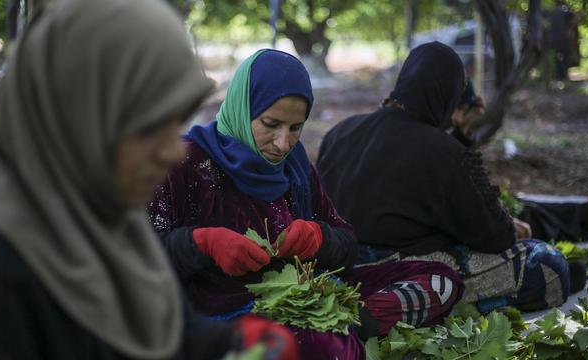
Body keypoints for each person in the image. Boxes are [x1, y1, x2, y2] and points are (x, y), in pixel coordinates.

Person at [0, 0, 297, 359]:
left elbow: (168, 333)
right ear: (77, 117)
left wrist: (230, 343)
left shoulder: (105, 216)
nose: (175, 151)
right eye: (149, 128)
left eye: (176, 125)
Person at [147, 48, 463, 356]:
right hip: (222, 312)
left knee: (441, 279)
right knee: (319, 343)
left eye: (295, 128)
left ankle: (356, 320)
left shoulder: (295, 165)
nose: (283, 143)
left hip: (307, 292)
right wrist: (202, 244)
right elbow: (136, 259)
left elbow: (347, 246)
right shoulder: (183, 163)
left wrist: (319, 239)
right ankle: (340, 331)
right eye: (270, 125)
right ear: (243, 109)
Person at [317, 42, 571, 314]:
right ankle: (413, 307)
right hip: (402, 271)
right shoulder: (444, 151)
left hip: (337, 268)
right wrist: (510, 226)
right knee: (548, 265)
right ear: (449, 96)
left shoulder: (339, 132)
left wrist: (459, 137)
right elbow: (493, 237)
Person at [451, 79, 588, 244]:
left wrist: (465, 129)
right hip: (458, 218)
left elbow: (457, 165)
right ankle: (580, 224)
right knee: (526, 219)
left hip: (463, 205)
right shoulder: (430, 139)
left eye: (463, 110)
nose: (457, 118)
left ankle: (581, 214)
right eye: (458, 109)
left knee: (527, 206)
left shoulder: (434, 132)